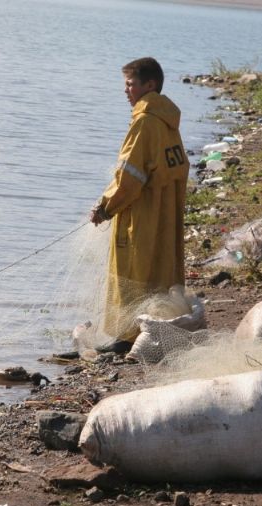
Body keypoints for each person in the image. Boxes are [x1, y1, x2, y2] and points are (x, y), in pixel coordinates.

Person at [89, 57, 188, 355]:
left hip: (142, 214)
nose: (126, 91)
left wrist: (106, 207)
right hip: (166, 212)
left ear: (150, 85)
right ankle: (155, 329)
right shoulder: (167, 122)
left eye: (130, 84)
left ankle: (127, 335)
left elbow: (130, 177)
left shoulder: (145, 122)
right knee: (159, 270)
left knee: (133, 271)